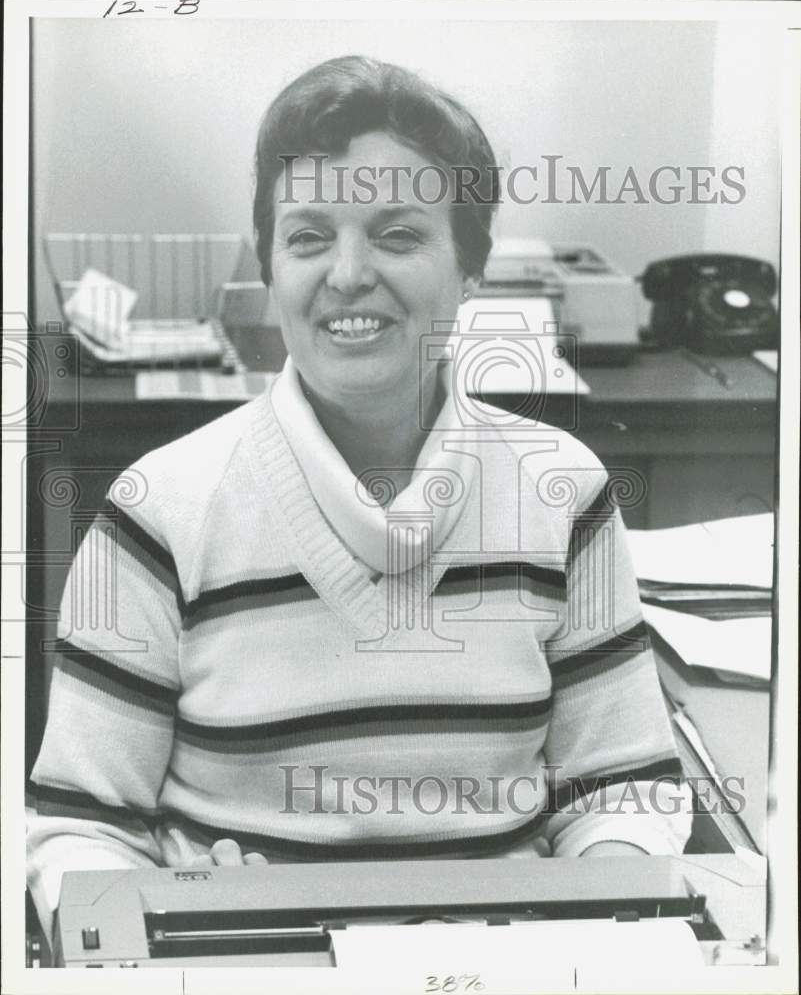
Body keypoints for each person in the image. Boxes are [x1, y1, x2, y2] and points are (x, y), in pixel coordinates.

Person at [27, 56, 691, 943]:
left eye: (397, 234)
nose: (346, 274)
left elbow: (622, 793)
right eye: (307, 237)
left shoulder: (559, 488)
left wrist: (588, 922)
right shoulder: (157, 510)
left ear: (469, 272)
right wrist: (177, 910)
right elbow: (79, 830)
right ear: (270, 269)